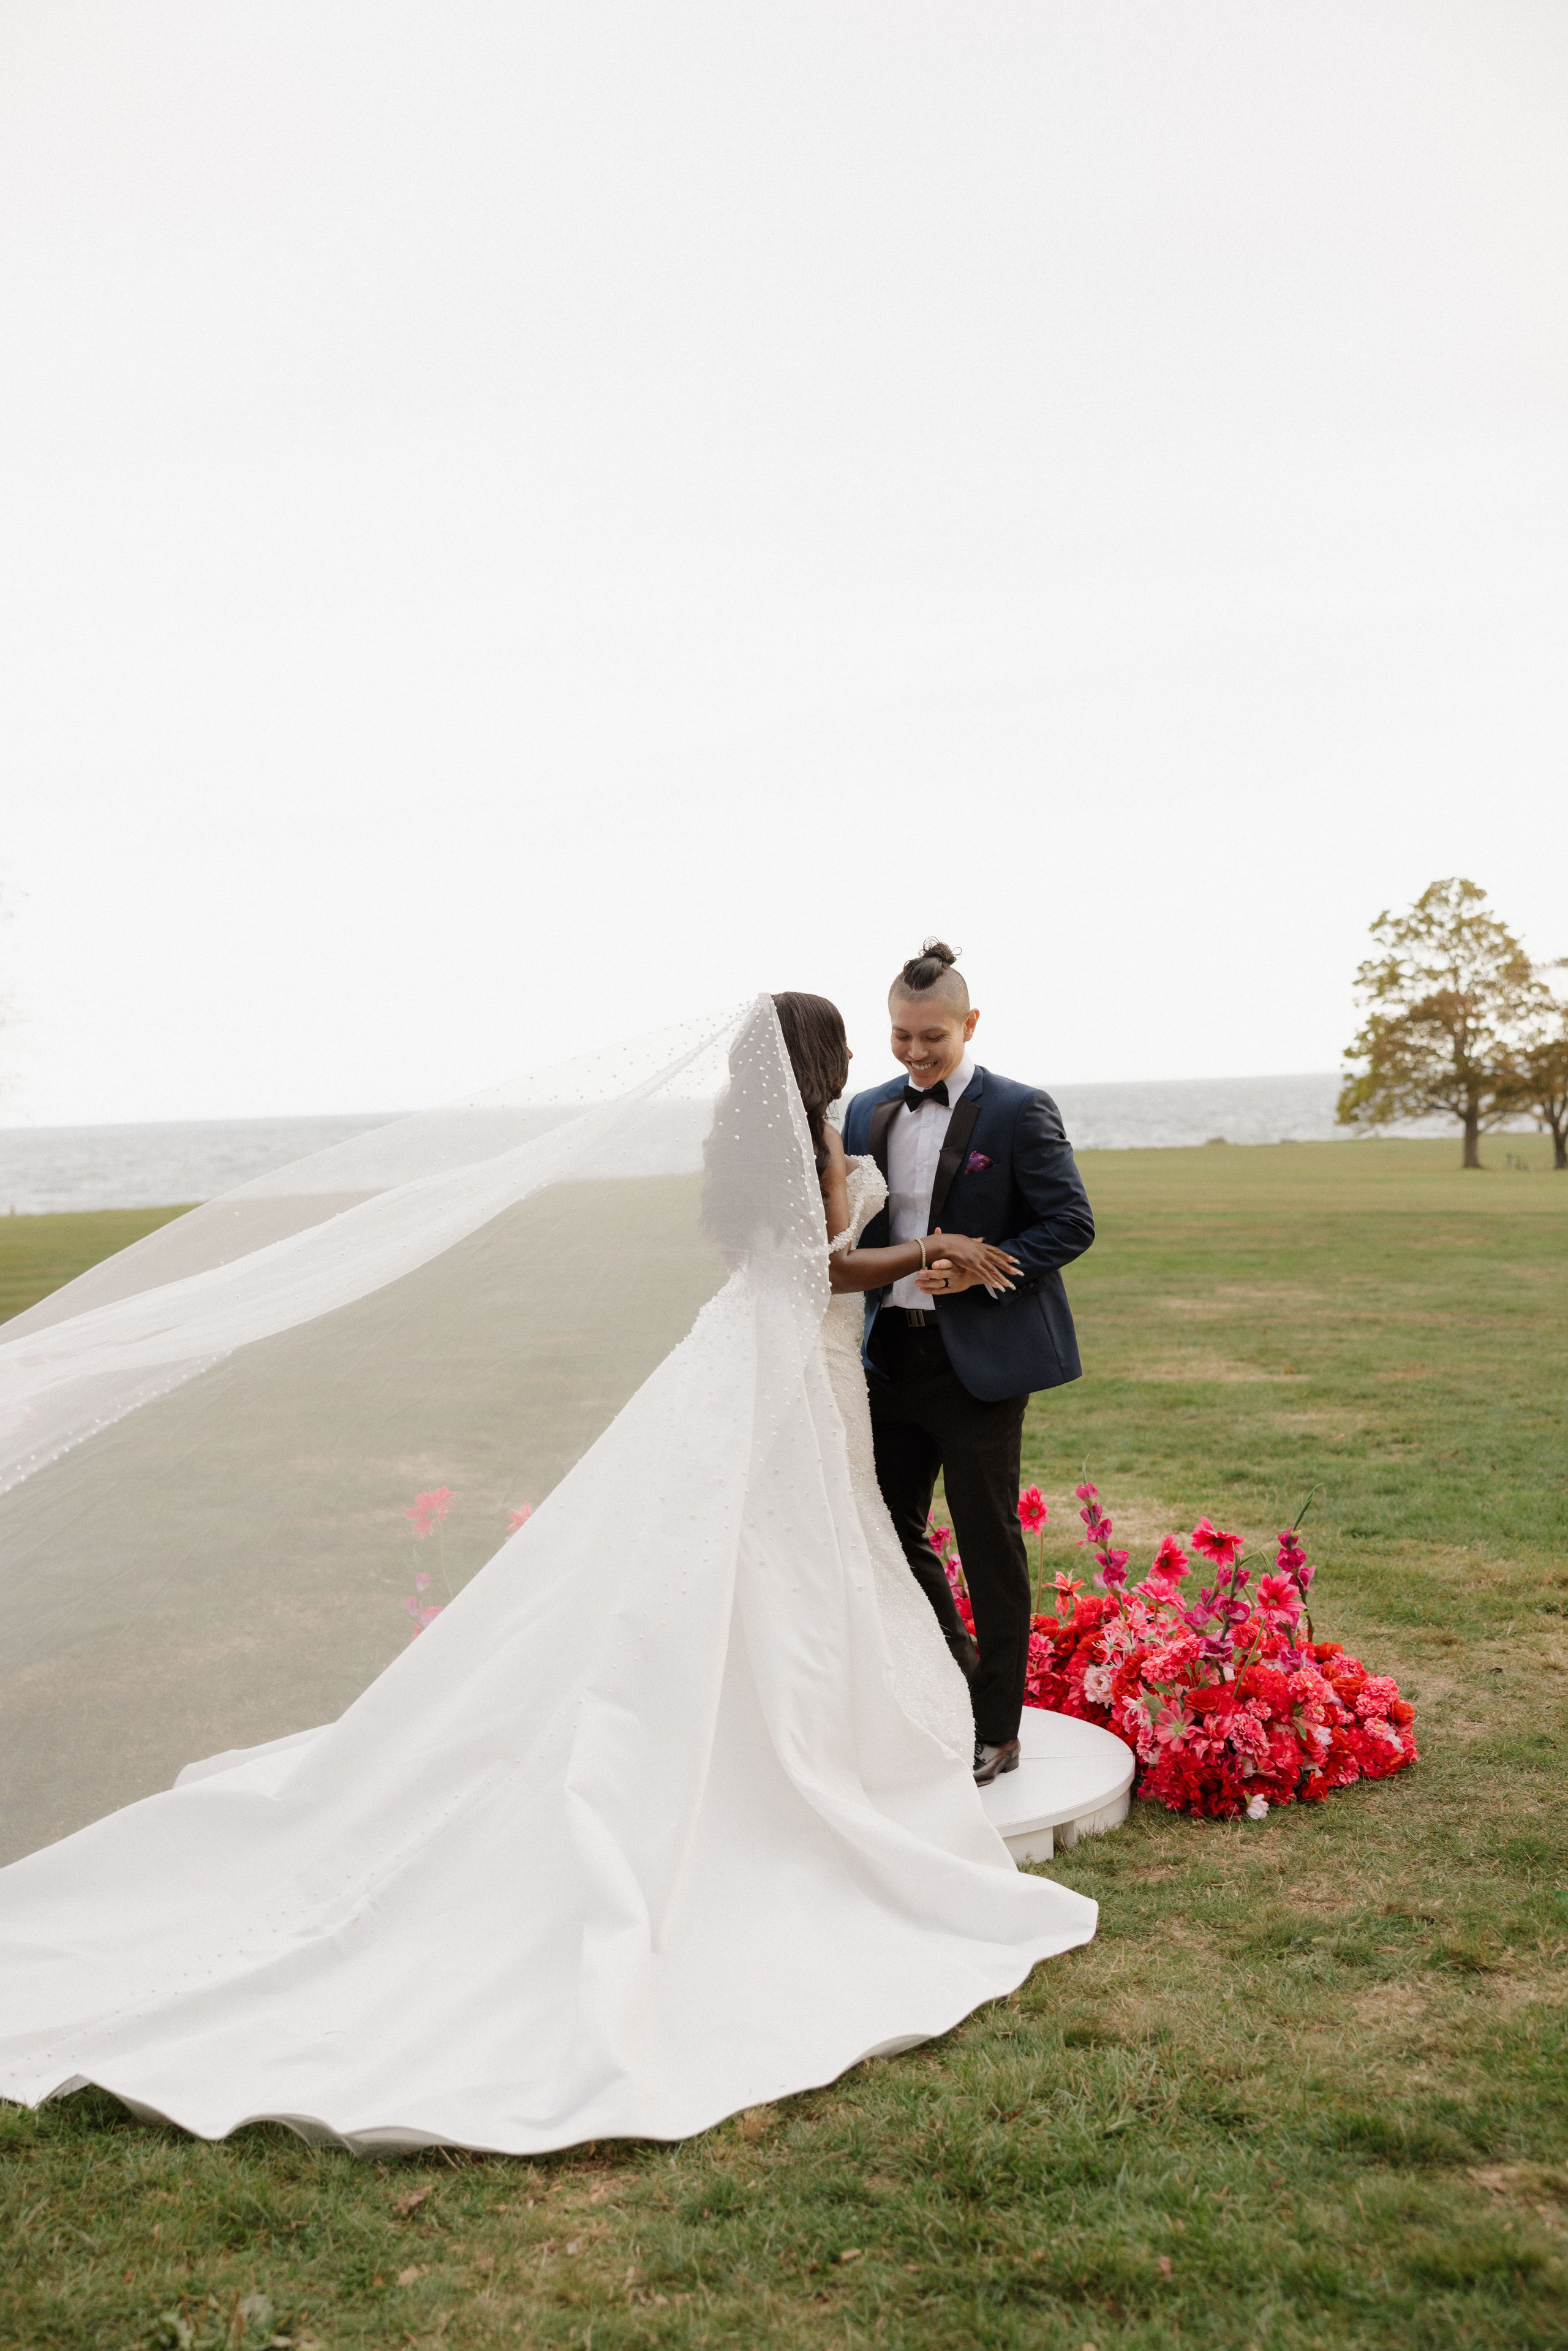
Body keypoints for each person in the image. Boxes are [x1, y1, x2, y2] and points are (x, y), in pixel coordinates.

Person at [0, 993, 1096, 2156]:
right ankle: (803, 1741)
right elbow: (822, 1269)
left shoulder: (742, 1139)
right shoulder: (823, 1136)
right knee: (792, 1551)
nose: (890, 1056)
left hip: (748, 1352)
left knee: (749, 1548)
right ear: (822, 1060)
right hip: (796, 1360)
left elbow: (778, 1261)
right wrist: (925, 1249)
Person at [842, 943, 1095, 1787]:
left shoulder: (1020, 1110)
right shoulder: (865, 1112)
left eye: (933, 1037)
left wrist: (984, 1267)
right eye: (902, 1036)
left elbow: (1070, 1223)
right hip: (888, 1358)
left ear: (970, 1024)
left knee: (989, 1546)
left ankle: (997, 1727)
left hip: (979, 1365)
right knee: (888, 1529)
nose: (916, 1053)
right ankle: (954, 1674)